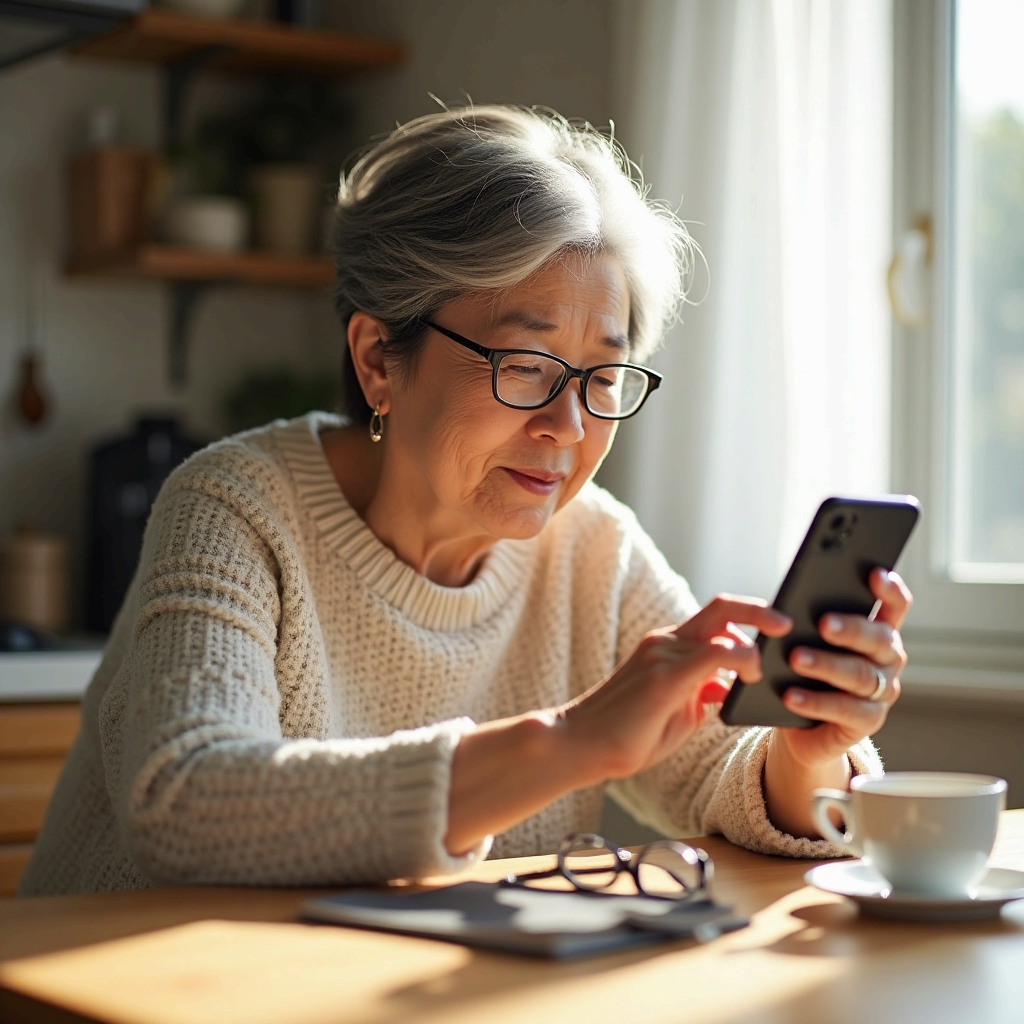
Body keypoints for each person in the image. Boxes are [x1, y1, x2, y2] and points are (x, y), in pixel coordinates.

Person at [19, 106, 910, 895]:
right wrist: (564, 742)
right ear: (378, 359)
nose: (569, 427)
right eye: (526, 367)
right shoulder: (236, 505)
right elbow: (184, 798)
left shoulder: (590, 547)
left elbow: (724, 773)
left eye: (604, 377)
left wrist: (803, 753)